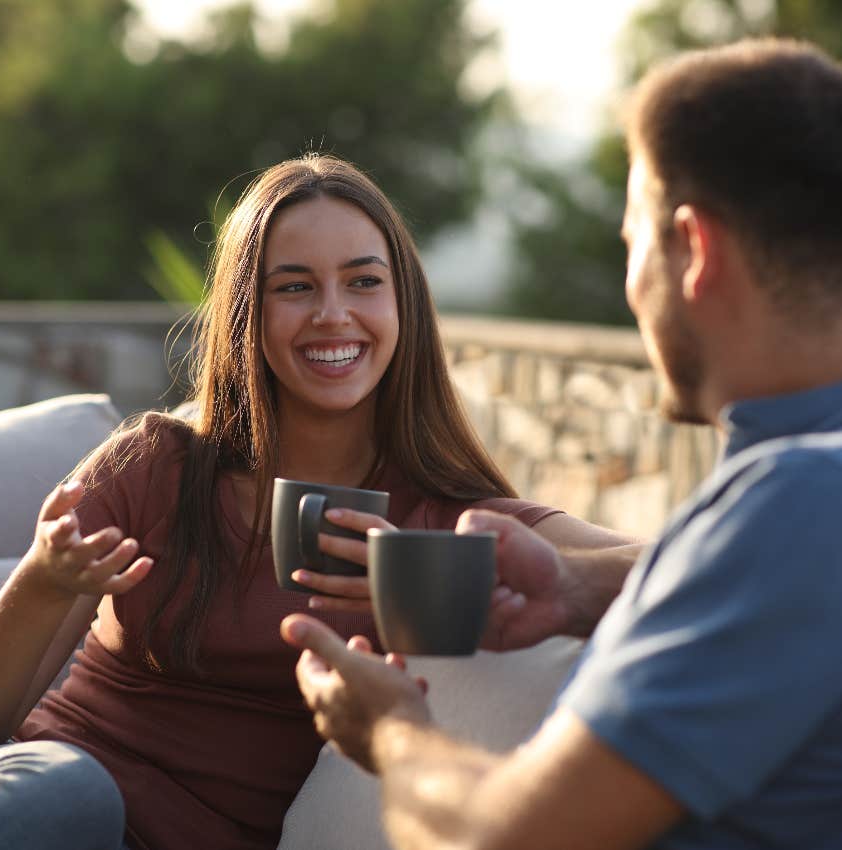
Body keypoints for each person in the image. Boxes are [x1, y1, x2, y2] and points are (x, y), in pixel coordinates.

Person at [282, 37, 842, 850]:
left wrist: (392, 731)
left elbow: (504, 839)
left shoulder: (798, 500)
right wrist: (578, 592)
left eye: (631, 242)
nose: (631, 283)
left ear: (695, 250)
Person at [0, 154, 637, 850]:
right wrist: (43, 578)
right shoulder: (155, 466)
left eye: (363, 281)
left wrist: (547, 578)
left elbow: (685, 565)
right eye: (295, 287)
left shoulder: (440, 522)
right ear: (248, 313)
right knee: (72, 794)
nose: (334, 315)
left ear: (403, 305)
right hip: (58, 801)